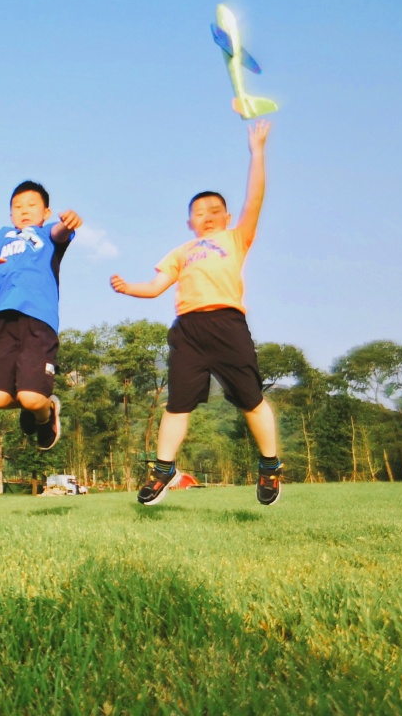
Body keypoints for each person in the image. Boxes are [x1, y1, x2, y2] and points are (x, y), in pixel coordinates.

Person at [111, 120, 281, 506]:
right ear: (188, 222)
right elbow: (155, 288)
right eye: (198, 212)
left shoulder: (236, 239)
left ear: (225, 218)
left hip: (227, 325)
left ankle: (270, 466)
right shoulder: (181, 252)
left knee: (251, 399)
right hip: (188, 330)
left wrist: (258, 152)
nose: (206, 216)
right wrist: (129, 287)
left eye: (214, 211)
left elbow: (254, 199)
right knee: (178, 404)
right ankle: (163, 469)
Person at [0, 181, 81, 450]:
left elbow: (62, 233)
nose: (24, 210)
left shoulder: (49, 233)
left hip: (38, 321)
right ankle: (31, 401)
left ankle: (44, 411)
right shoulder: (2, 236)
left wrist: (69, 223)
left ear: (46, 212)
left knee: (32, 398)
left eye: (31, 205)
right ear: (10, 214)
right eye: (17, 207)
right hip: (2, 321)